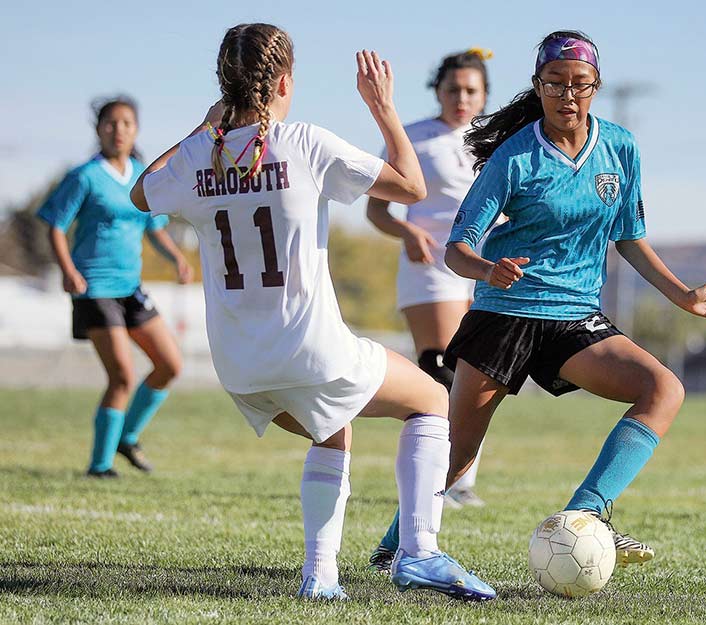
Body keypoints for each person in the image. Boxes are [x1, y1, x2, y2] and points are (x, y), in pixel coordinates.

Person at [130, 23, 495, 601]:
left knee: (331, 427)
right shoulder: (302, 143)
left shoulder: (202, 151)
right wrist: (383, 108)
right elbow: (409, 185)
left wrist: (206, 127)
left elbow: (141, 193)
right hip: (308, 349)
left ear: (225, 86)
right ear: (282, 82)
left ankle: (321, 577)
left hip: (239, 367)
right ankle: (419, 553)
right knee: (430, 401)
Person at [373, 30, 706, 568]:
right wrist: (488, 270)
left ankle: (585, 518)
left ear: (595, 87)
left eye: (579, 84)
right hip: (505, 315)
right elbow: (457, 251)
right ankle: (393, 548)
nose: (567, 95)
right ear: (538, 86)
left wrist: (684, 296)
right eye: (555, 84)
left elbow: (629, 237)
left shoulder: (619, 146)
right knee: (457, 455)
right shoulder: (513, 156)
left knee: (662, 389)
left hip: (575, 318)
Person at [366, 49, 491, 531]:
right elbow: (377, 212)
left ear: (484, 95)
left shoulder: (500, 139)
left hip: (484, 266)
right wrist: (407, 232)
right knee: (442, 369)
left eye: (471, 90)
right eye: (453, 89)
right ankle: (441, 480)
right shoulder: (413, 137)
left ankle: (460, 480)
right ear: (437, 90)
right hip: (430, 266)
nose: (461, 98)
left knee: (478, 372)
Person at [38, 96, 192, 478]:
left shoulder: (141, 174)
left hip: (131, 288)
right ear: (98, 129)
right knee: (122, 375)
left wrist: (177, 258)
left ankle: (128, 436)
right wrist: (68, 269)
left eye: (125, 123)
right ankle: (100, 465)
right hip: (94, 288)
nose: (118, 130)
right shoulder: (84, 176)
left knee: (170, 364)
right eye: (110, 123)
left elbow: (154, 229)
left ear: (135, 130)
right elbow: (56, 226)